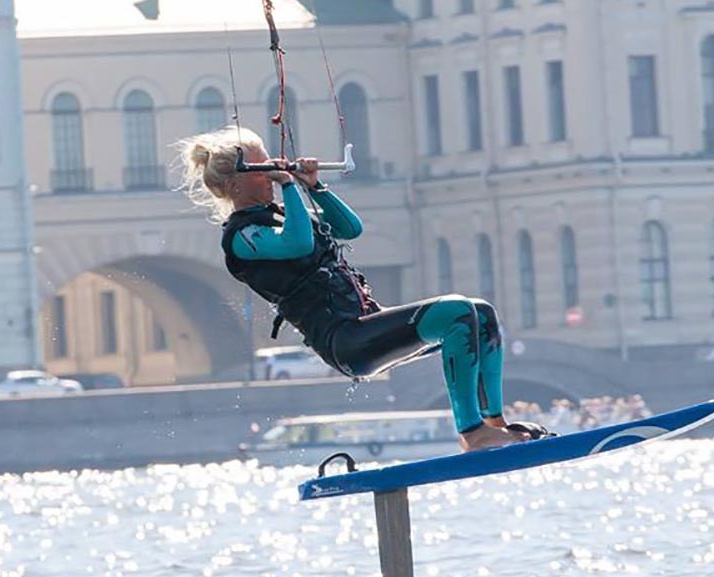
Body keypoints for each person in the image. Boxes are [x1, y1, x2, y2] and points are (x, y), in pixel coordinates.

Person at [178, 127, 545, 452]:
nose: (272, 174)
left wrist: (314, 186)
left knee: (480, 314)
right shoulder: (243, 237)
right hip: (347, 342)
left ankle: (494, 424)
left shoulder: (282, 214)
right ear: (236, 184)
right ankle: (472, 433)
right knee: (456, 312)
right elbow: (299, 244)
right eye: (262, 169)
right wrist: (290, 186)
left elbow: (350, 228)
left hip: (367, 322)